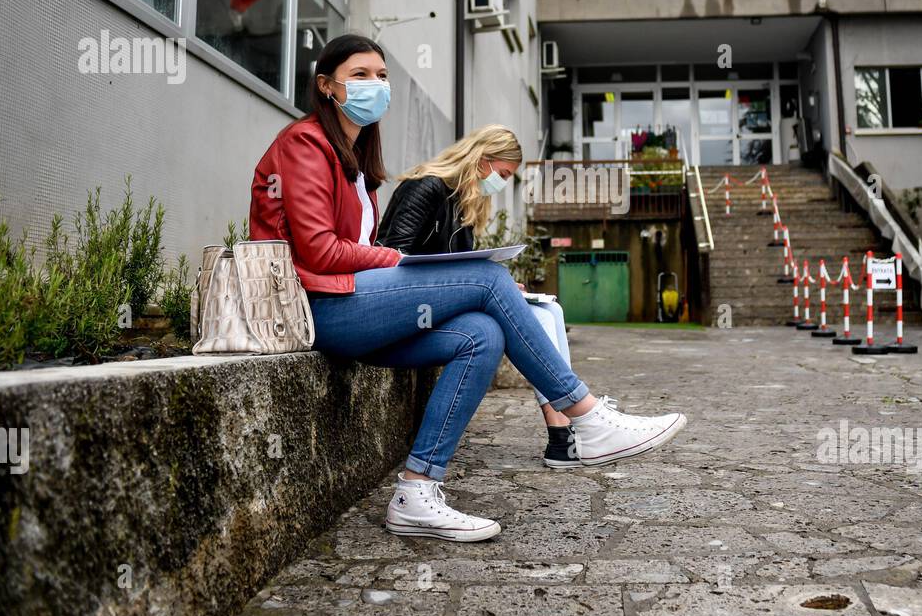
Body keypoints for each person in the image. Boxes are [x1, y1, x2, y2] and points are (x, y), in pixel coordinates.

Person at [250, 34, 686, 543]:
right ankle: (584, 416)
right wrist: (402, 260)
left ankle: (417, 491)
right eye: (361, 75)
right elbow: (320, 252)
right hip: (320, 308)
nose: (377, 85)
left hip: (356, 305)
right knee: (487, 277)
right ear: (327, 86)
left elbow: (354, 246)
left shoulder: (355, 157)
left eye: (383, 75)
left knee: (481, 333)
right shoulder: (305, 143)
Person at [376, 125, 582, 469]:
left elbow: (461, 262)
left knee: (550, 310)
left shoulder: (464, 203)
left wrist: (497, 285)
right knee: (540, 317)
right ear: (482, 159)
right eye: (502, 173)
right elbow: (392, 256)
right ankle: (564, 432)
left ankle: (565, 430)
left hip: (437, 301)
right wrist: (474, 283)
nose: (500, 183)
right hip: (407, 303)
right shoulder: (426, 187)